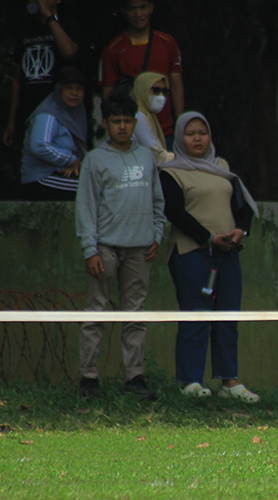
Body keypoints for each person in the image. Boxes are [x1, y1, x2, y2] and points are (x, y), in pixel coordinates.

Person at [160, 112, 260, 403]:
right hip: (193, 254)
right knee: (196, 315)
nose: (197, 139)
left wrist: (240, 231)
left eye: (202, 132)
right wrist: (208, 237)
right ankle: (190, 381)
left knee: (228, 316)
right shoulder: (171, 171)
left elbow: (242, 205)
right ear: (180, 137)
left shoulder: (221, 167)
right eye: (190, 133)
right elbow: (175, 212)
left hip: (226, 253)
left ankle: (229, 381)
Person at [75, 93, 164, 401]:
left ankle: (134, 377)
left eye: (128, 121)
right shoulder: (95, 159)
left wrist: (157, 234)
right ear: (105, 124)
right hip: (106, 248)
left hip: (140, 249)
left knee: (136, 314)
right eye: (117, 121)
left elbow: (157, 202)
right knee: (96, 312)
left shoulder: (146, 157)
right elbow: (85, 207)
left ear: (135, 122)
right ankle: (89, 378)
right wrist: (91, 248)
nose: (123, 127)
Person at [99, 0, 184, 145]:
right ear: (124, 11)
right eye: (132, 9)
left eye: (143, 7)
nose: (138, 14)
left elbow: (176, 85)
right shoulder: (114, 48)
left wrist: (180, 124)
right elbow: (108, 93)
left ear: (151, 8)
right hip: (130, 134)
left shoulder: (167, 42)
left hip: (165, 131)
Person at [3, 0, 80, 151]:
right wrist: (11, 121)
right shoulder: (25, 32)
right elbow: (17, 80)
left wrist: (50, 17)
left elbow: (69, 52)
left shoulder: (68, 27)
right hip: (28, 111)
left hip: (58, 113)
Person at [21, 65, 88, 200]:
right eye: (69, 88)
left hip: (60, 173)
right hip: (41, 177)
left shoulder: (76, 111)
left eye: (78, 89)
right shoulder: (48, 114)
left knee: (96, 185)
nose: (74, 93)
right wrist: (70, 159)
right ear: (59, 90)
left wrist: (74, 165)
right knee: (91, 189)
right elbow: (39, 146)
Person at [130, 71, 174, 166]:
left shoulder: (148, 115)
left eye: (164, 92)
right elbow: (157, 156)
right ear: (142, 90)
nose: (161, 96)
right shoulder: (138, 116)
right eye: (156, 90)